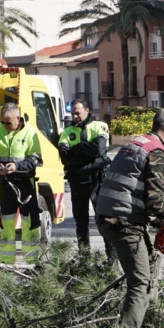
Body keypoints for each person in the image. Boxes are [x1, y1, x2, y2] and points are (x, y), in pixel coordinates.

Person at [95, 109, 164, 328]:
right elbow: (156, 201)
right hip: (124, 223)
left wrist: (160, 223)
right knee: (140, 283)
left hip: (110, 217)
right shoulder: (157, 152)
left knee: (149, 268)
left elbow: (133, 192)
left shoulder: (136, 144)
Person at [0, 104, 44, 265]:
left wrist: (16, 167)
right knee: (6, 222)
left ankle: (32, 261)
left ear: (18, 119)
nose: (5, 125)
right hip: (5, 183)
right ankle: (6, 261)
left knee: (30, 223)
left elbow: (35, 159)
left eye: (8, 122)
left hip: (25, 184)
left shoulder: (30, 132)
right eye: (2, 122)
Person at [58, 100, 111, 250]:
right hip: (77, 182)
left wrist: (76, 148)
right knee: (81, 223)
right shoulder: (66, 132)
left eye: (78, 113)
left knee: (103, 220)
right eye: (73, 113)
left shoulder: (99, 126)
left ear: (87, 110)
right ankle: (84, 258)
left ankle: (111, 259)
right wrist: (87, 154)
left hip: (97, 180)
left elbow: (98, 150)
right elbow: (65, 157)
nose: (75, 116)